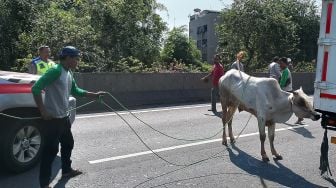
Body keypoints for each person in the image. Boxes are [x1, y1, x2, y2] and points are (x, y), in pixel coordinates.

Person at [32, 46, 105, 188]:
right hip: (52, 119)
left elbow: (76, 91)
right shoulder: (55, 71)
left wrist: (94, 95)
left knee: (68, 144)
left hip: (64, 117)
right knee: (50, 152)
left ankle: (66, 170)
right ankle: (44, 184)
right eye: (76, 58)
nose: (77, 61)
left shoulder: (69, 72)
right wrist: (43, 111)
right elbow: (35, 88)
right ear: (68, 58)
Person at [278, 57, 303, 124]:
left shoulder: (285, 71)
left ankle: (300, 117)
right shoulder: (285, 70)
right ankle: (300, 118)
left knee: (292, 106)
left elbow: (282, 83)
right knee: (292, 105)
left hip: (286, 91)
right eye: (279, 63)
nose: (280, 65)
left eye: (281, 63)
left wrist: (277, 87)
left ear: (285, 63)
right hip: (287, 90)